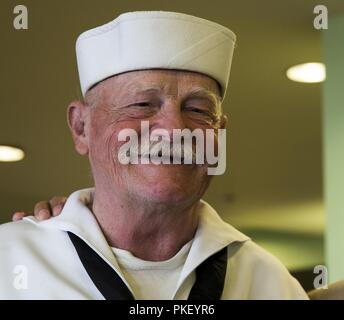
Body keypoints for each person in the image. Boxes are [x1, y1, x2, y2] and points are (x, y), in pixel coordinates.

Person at [1, 11, 308, 300]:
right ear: (82, 127)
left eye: (198, 110)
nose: (174, 129)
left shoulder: (271, 284)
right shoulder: (10, 261)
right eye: (142, 105)